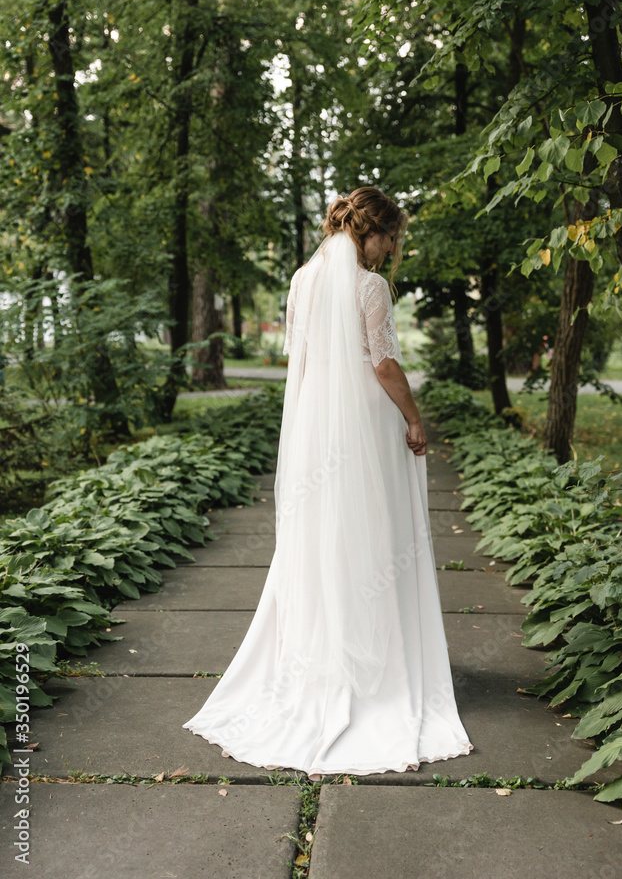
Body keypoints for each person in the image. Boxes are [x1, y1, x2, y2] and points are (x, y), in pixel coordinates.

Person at [183, 186, 473, 779]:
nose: (393, 250)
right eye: (392, 239)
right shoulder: (369, 287)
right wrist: (414, 418)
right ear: (375, 231)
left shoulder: (300, 281)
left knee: (326, 540)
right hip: (364, 433)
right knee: (373, 536)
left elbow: (304, 366)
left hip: (319, 434)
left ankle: (326, 657)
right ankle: (375, 664)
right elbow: (383, 364)